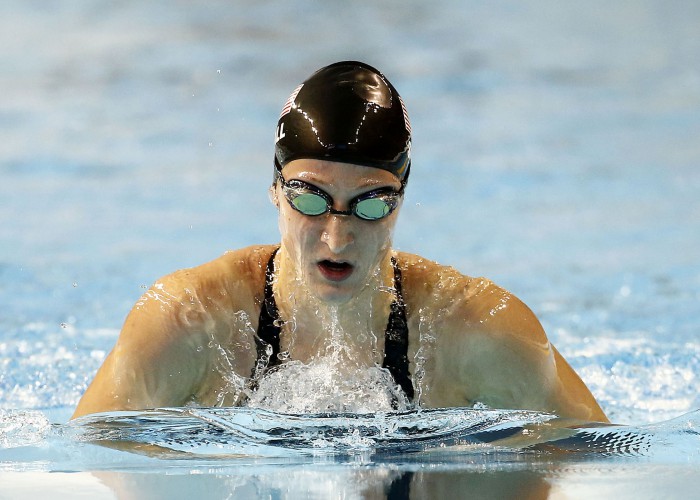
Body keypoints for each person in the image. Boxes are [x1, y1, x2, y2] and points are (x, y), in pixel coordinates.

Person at [72, 61, 608, 422]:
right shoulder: (186, 323)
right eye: (310, 198)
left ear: (401, 199)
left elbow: (598, 459)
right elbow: (86, 467)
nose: (338, 235)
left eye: (372, 203)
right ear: (275, 191)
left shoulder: (480, 331)